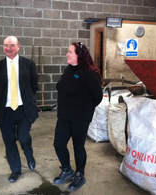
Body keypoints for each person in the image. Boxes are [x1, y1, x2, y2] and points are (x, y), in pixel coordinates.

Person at [53, 42, 103, 191]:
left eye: (70, 52)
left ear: (79, 56)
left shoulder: (89, 73)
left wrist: (84, 109)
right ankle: (67, 170)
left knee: (78, 146)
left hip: (80, 117)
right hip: (64, 116)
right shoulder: (69, 69)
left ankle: (79, 174)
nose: (67, 54)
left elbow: (97, 97)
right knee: (59, 144)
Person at [0, 36, 38, 183]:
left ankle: (29, 156)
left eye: (12, 45)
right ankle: (15, 169)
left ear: (18, 47)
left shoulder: (28, 64)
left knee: (23, 137)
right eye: (6, 45)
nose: (8, 48)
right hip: (5, 111)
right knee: (9, 141)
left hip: (24, 109)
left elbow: (34, 85)